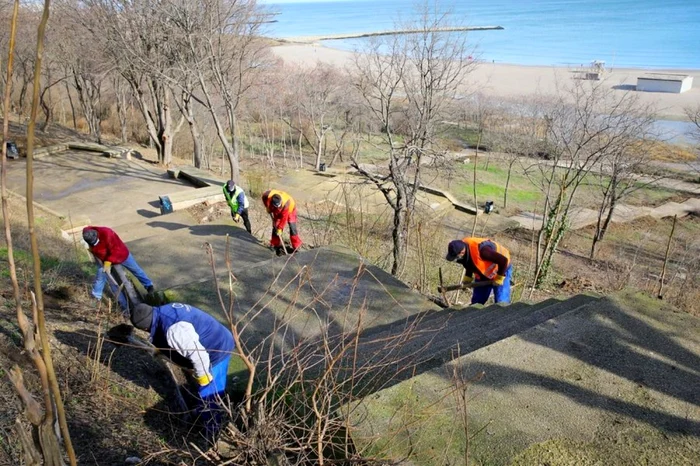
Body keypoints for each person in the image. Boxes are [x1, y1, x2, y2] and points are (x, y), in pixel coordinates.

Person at [131, 302, 235, 439]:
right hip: (216, 340)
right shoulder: (163, 312)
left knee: (209, 394)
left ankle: (212, 432)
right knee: (207, 391)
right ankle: (205, 412)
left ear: (145, 328)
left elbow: (199, 357)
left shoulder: (174, 330)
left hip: (216, 350)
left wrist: (203, 379)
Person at [83, 226, 154, 307]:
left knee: (136, 270)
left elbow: (116, 250)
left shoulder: (108, 234)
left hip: (121, 255)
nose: (95, 244)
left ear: (96, 235)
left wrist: (108, 262)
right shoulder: (86, 233)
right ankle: (96, 296)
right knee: (100, 275)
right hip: (103, 257)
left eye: (95, 242)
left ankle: (149, 286)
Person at [445, 237, 513, 305]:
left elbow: (503, 261)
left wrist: (499, 278)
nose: (457, 259)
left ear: (462, 252)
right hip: (483, 274)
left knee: (501, 301)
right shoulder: (463, 248)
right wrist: (467, 278)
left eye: (456, 257)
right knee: (477, 301)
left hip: (502, 270)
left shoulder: (484, 251)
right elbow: (468, 262)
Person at [261, 189, 302, 255]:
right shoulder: (267, 195)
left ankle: (296, 246)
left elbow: (283, 219)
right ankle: (275, 244)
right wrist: (267, 207)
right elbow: (263, 197)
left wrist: (280, 229)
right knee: (275, 227)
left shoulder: (286, 204)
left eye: (279, 206)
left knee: (292, 227)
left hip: (290, 210)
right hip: (276, 209)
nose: (278, 207)